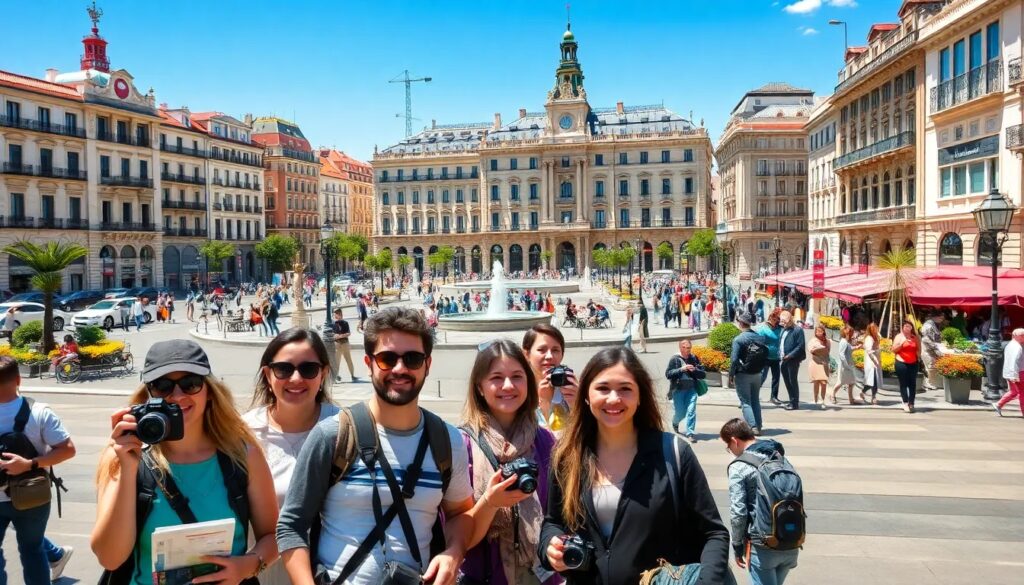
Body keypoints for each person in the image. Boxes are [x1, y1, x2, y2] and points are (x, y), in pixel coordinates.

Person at [276, 307, 475, 584]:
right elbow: (291, 526)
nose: (400, 369)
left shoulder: (447, 441)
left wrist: (453, 552)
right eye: (387, 359)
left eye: (412, 359)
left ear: (427, 365)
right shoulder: (333, 436)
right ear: (368, 363)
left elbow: (460, 513)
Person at [91, 340, 278, 584]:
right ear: (148, 395)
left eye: (191, 384)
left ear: (209, 391)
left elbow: (273, 536)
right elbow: (110, 558)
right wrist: (127, 469)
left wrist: (247, 566)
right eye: (162, 386)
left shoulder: (243, 456)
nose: (178, 396)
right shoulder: (125, 455)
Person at [539, 347, 730, 585]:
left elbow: (714, 533)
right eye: (602, 388)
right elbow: (553, 522)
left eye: (625, 389)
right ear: (586, 395)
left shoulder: (673, 453)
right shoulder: (567, 455)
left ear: (640, 396)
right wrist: (551, 547)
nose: (613, 398)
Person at [457, 339, 560, 585]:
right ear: (479, 387)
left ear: (528, 383)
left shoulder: (544, 440)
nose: (508, 385)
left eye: (517, 376)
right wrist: (490, 503)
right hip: (485, 577)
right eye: (496, 378)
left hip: (540, 576)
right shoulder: (461, 444)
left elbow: (557, 516)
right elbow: (456, 536)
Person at [244, 328, 341, 585]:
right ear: (267, 374)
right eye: (283, 369)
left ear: (323, 374)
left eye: (308, 369)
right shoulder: (243, 433)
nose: (296, 378)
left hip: (331, 574)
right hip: (263, 574)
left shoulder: (346, 429)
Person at [0, 356, 77, 585]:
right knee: (32, 550)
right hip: (33, 496)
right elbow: (68, 450)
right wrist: (29, 464)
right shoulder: (39, 412)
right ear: (18, 379)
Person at [721, 418, 799, 585]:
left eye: (728, 446)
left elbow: (738, 513)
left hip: (763, 545)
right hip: (791, 539)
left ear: (735, 441)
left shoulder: (739, 466)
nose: (730, 450)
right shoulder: (777, 455)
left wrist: (737, 545)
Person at [522, 324, 580, 432]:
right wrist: (545, 402)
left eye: (555, 350)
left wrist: (578, 403)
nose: (549, 356)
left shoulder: (570, 387)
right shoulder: (520, 391)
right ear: (526, 354)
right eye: (541, 350)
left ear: (562, 354)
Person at [730, 313, 766, 434]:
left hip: (743, 374)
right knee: (755, 400)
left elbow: (734, 360)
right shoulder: (760, 337)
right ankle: (759, 425)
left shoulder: (738, 339)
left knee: (745, 402)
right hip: (757, 373)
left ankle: (753, 426)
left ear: (740, 323)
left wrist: (731, 374)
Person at [666, 339, 706, 443]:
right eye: (684, 348)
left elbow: (703, 374)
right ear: (680, 348)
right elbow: (668, 374)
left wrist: (695, 370)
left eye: (689, 348)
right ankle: (675, 422)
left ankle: (690, 433)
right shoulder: (675, 359)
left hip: (691, 389)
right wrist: (681, 369)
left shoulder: (694, 358)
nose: (687, 350)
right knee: (681, 413)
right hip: (678, 390)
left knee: (691, 411)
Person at [891, 320, 921, 413]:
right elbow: (893, 350)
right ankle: (905, 402)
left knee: (912, 383)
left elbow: (919, 349)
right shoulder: (899, 337)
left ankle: (911, 403)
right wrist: (901, 343)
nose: (908, 328)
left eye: (909, 326)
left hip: (913, 362)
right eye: (906, 326)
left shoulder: (915, 337)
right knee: (903, 383)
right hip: (901, 362)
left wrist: (918, 356)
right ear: (903, 328)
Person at [778, 311, 805, 410]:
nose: (782, 323)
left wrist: (790, 355)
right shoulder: (784, 329)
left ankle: (795, 403)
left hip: (792, 359)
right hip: (783, 359)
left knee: (792, 381)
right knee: (787, 381)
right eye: (781, 321)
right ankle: (791, 400)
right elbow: (781, 343)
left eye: (784, 321)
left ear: (790, 320)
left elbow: (800, 346)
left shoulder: (798, 330)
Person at [756, 309, 783, 405]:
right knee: (762, 377)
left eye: (778, 319)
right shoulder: (763, 329)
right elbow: (758, 342)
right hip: (765, 357)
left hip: (776, 357)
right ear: (771, 317)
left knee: (776, 378)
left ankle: (774, 397)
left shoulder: (780, 328)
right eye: (776, 319)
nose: (777, 321)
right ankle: (754, 395)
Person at [995, 328, 1024, 417]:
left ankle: (998, 404)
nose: (1023, 337)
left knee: (1014, 392)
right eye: (1022, 335)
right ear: (1015, 336)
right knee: (1022, 393)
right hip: (1017, 372)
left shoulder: (1010, 345)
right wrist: (1014, 375)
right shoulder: (1017, 347)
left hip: (1011, 372)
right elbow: (1014, 362)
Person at [830, 326, 861, 405]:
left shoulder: (846, 341)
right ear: (847, 333)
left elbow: (849, 349)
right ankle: (832, 395)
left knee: (851, 382)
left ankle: (851, 399)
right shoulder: (843, 341)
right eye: (851, 332)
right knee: (841, 382)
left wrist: (856, 347)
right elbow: (841, 355)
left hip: (848, 365)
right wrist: (846, 365)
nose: (852, 334)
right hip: (844, 366)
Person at [919, 312, 946, 392]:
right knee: (928, 367)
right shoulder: (928, 325)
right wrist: (936, 349)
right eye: (941, 318)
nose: (942, 320)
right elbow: (926, 339)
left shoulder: (932, 324)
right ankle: (926, 384)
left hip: (929, 349)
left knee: (929, 367)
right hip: (927, 350)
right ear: (936, 317)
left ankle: (928, 383)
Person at [330, 307, 358, 383]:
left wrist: (340, 336)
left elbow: (348, 333)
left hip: (345, 343)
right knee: (336, 362)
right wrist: (335, 335)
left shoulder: (345, 323)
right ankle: (335, 377)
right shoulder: (332, 324)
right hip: (336, 344)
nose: (337, 314)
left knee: (348, 360)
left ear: (341, 314)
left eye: (338, 313)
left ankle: (353, 375)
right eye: (335, 313)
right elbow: (330, 334)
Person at [808, 325, 831, 407]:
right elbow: (810, 350)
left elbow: (828, 351)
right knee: (816, 382)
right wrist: (815, 350)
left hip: (824, 363)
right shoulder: (813, 341)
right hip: (815, 362)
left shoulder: (827, 341)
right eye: (817, 331)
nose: (818, 332)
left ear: (823, 332)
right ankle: (815, 399)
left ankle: (822, 400)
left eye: (820, 331)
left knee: (824, 382)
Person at [860, 324, 883, 406]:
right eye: (874, 329)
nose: (876, 330)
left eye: (876, 328)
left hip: (876, 361)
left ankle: (866, 393)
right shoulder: (869, 339)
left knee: (874, 380)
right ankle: (872, 397)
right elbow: (869, 351)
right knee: (872, 380)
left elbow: (879, 343)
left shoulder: (876, 336)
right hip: (871, 362)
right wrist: (874, 359)